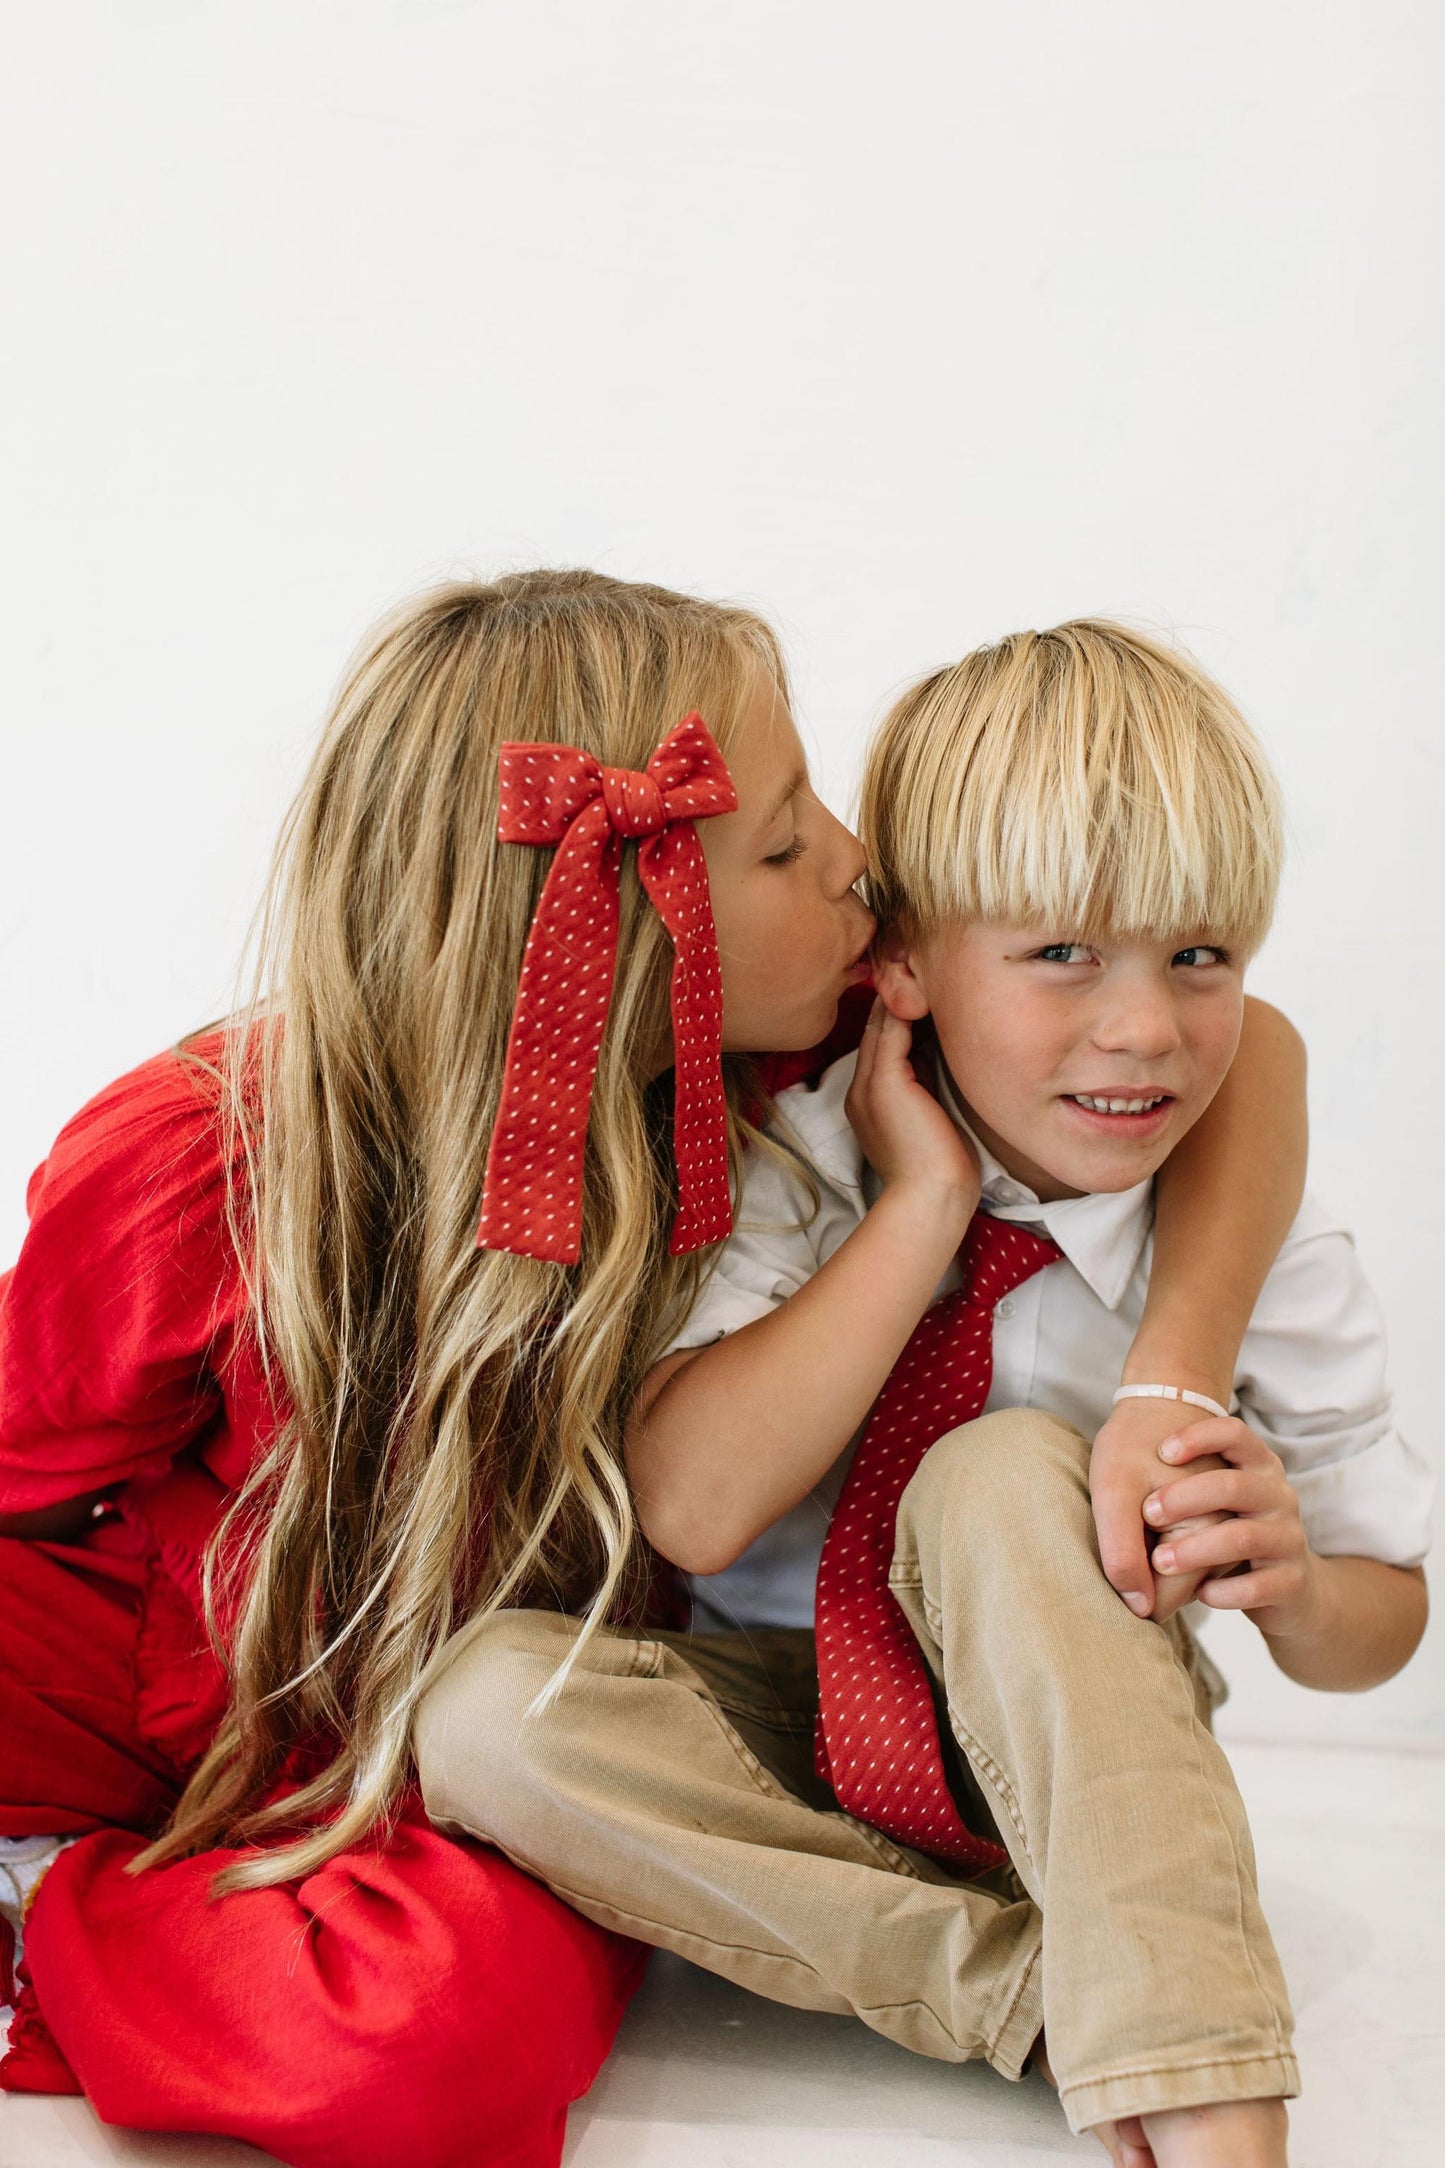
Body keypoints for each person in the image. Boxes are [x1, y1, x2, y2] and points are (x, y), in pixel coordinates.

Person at [0, 577, 1303, 2165]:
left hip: (500, 1736)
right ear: (602, 926)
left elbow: (1251, 1046)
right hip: (185, 1666)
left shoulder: (790, 1058)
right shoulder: (200, 1154)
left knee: (437, 2036)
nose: (851, 864)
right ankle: (68, 1885)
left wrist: (1170, 1372)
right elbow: (32, 1465)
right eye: (782, 842)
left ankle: (1107, 1999)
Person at [415, 621, 1430, 2168]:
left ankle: (1200, 2074)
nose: (1144, 1028)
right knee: (480, 1713)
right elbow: (690, 1508)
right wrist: (918, 1208)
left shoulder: (1251, 1232)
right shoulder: (793, 1158)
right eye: (1059, 955)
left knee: (1001, 1468)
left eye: (1198, 956)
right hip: (793, 1719)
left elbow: (1387, 1618)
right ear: (899, 960)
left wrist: (1293, 1592)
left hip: (1096, 1739)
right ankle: (1062, 1995)